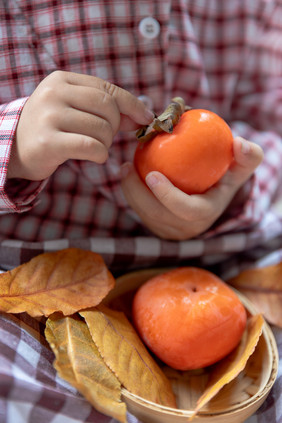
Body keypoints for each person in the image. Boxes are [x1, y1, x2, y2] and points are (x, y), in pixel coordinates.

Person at [0, 1, 281, 422]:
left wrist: (233, 189)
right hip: (24, 285)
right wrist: (12, 143)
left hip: (225, 258)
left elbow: (269, 117)